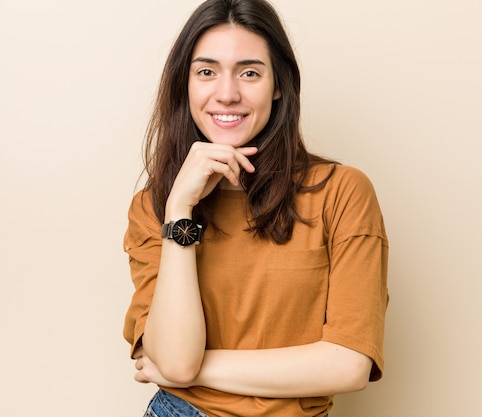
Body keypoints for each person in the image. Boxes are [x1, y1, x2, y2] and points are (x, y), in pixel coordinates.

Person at [122, 0, 389, 416]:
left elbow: (350, 364)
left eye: (249, 72)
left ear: (278, 84)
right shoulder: (156, 206)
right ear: (185, 85)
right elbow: (174, 359)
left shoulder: (342, 192)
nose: (226, 94)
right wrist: (179, 211)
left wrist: (192, 370)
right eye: (206, 72)